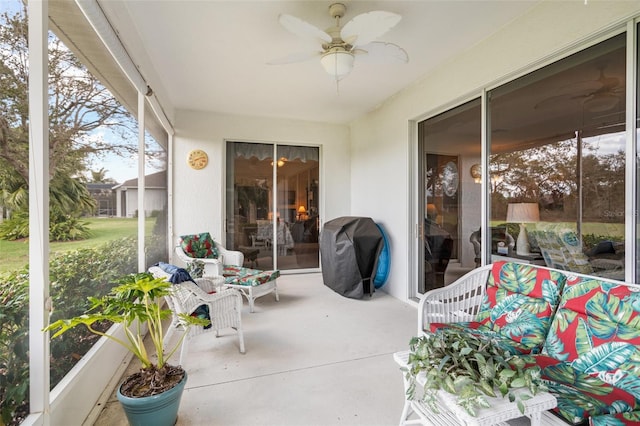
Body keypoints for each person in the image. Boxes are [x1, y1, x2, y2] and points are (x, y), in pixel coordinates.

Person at [424, 204, 453, 290]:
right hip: (428, 259)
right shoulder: (427, 226)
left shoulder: (433, 227)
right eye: (435, 214)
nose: (436, 216)